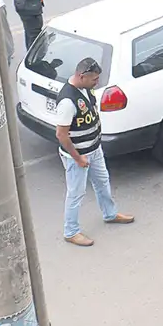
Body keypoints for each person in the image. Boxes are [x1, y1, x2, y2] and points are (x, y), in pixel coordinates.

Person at [53, 58, 135, 246]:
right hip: (78, 155)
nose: (97, 83)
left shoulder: (85, 89)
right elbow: (61, 135)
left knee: (102, 182)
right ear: (81, 76)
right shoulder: (67, 101)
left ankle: (110, 213)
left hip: (94, 149)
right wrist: (78, 158)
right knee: (76, 193)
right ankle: (71, 231)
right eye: (94, 79)